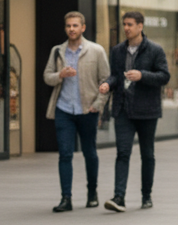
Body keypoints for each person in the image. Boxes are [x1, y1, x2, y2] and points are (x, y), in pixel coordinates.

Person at [98, 11, 170, 212]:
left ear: (140, 26)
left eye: (130, 24)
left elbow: (164, 76)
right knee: (122, 153)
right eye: (124, 24)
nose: (126, 28)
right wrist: (107, 84)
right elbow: (115, 76)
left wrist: (142, 75)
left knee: (147, 154)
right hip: (123, 109)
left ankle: (146, 196)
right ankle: (119, 197)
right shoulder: (117, 51)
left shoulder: (155, 50)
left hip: (147, 110)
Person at [43, 11, 110, 212]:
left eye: (75, 26)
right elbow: (47, 76)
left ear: (83, 27)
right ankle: (66, 198)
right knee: (65, 154)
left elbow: (106, 81)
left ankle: (92, 193)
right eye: (68, 26)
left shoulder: (96, 51)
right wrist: (60, 75)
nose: (71, 29)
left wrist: (98, 105)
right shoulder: (57, 51)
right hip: (64, 109)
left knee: (90, 153)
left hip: (87, 109)